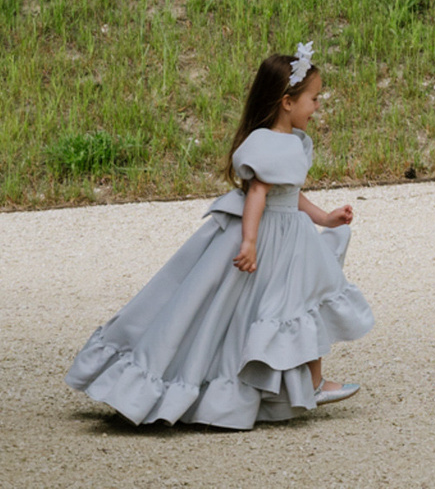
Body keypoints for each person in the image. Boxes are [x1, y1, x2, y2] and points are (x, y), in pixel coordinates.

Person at [67, 44, 375, 427]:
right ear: (286, 102)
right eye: (313, 99)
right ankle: (298, 384)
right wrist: (249, 242)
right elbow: (258, 195)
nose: (317, 107)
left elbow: (288, 192)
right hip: (271, 240)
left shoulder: (289, 143)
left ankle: (311, 383)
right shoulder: (267, 143)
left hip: (289, 237)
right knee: (266, 308)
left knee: (296, 306)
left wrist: (324, 219)